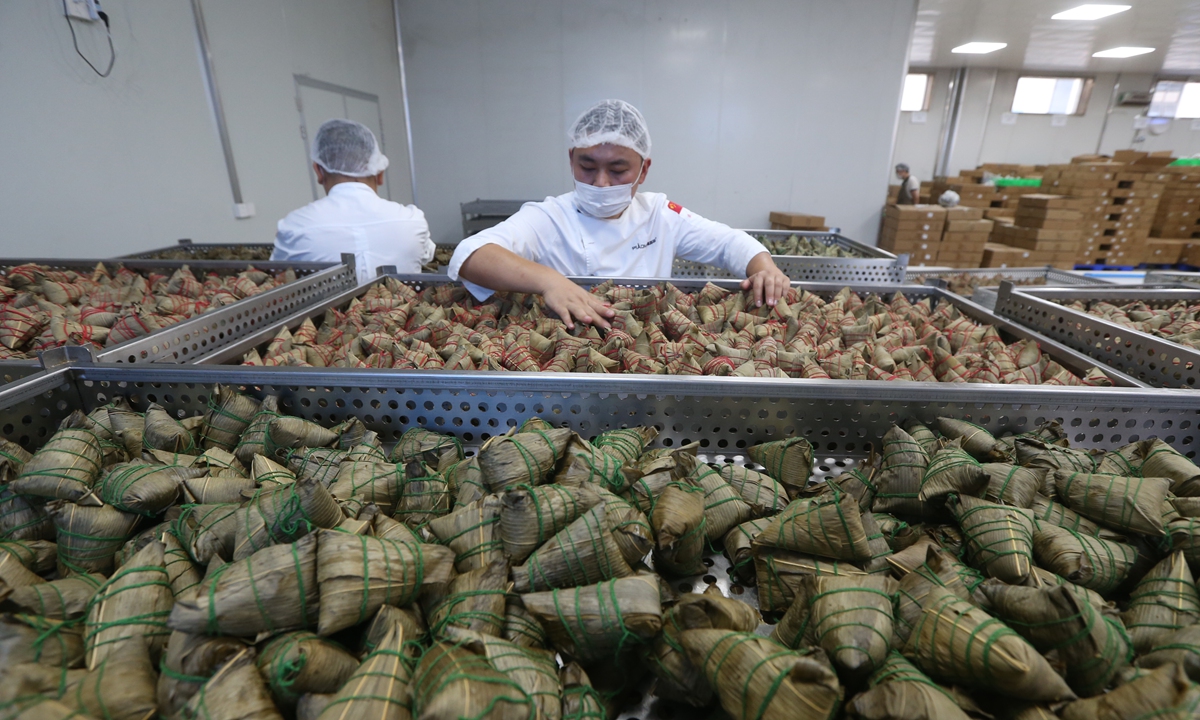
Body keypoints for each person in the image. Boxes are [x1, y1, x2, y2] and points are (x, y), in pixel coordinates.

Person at [448, 99, 790, 330]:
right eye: (587, 166)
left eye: (618, 169)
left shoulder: (660, 213)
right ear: (571, 160)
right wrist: (549, 281)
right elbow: (471, 255)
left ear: (643, 170)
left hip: (647, 343)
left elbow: (728, 242)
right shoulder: (550, 217)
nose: (600, 182)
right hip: (568, 343)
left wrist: (764, 268)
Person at [273, 119, 434, 282]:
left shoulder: (294, 226)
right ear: (380, 174)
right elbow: (426, 255)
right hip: (402, 307)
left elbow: (277, 277)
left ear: (319, 171)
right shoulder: (413, 220)